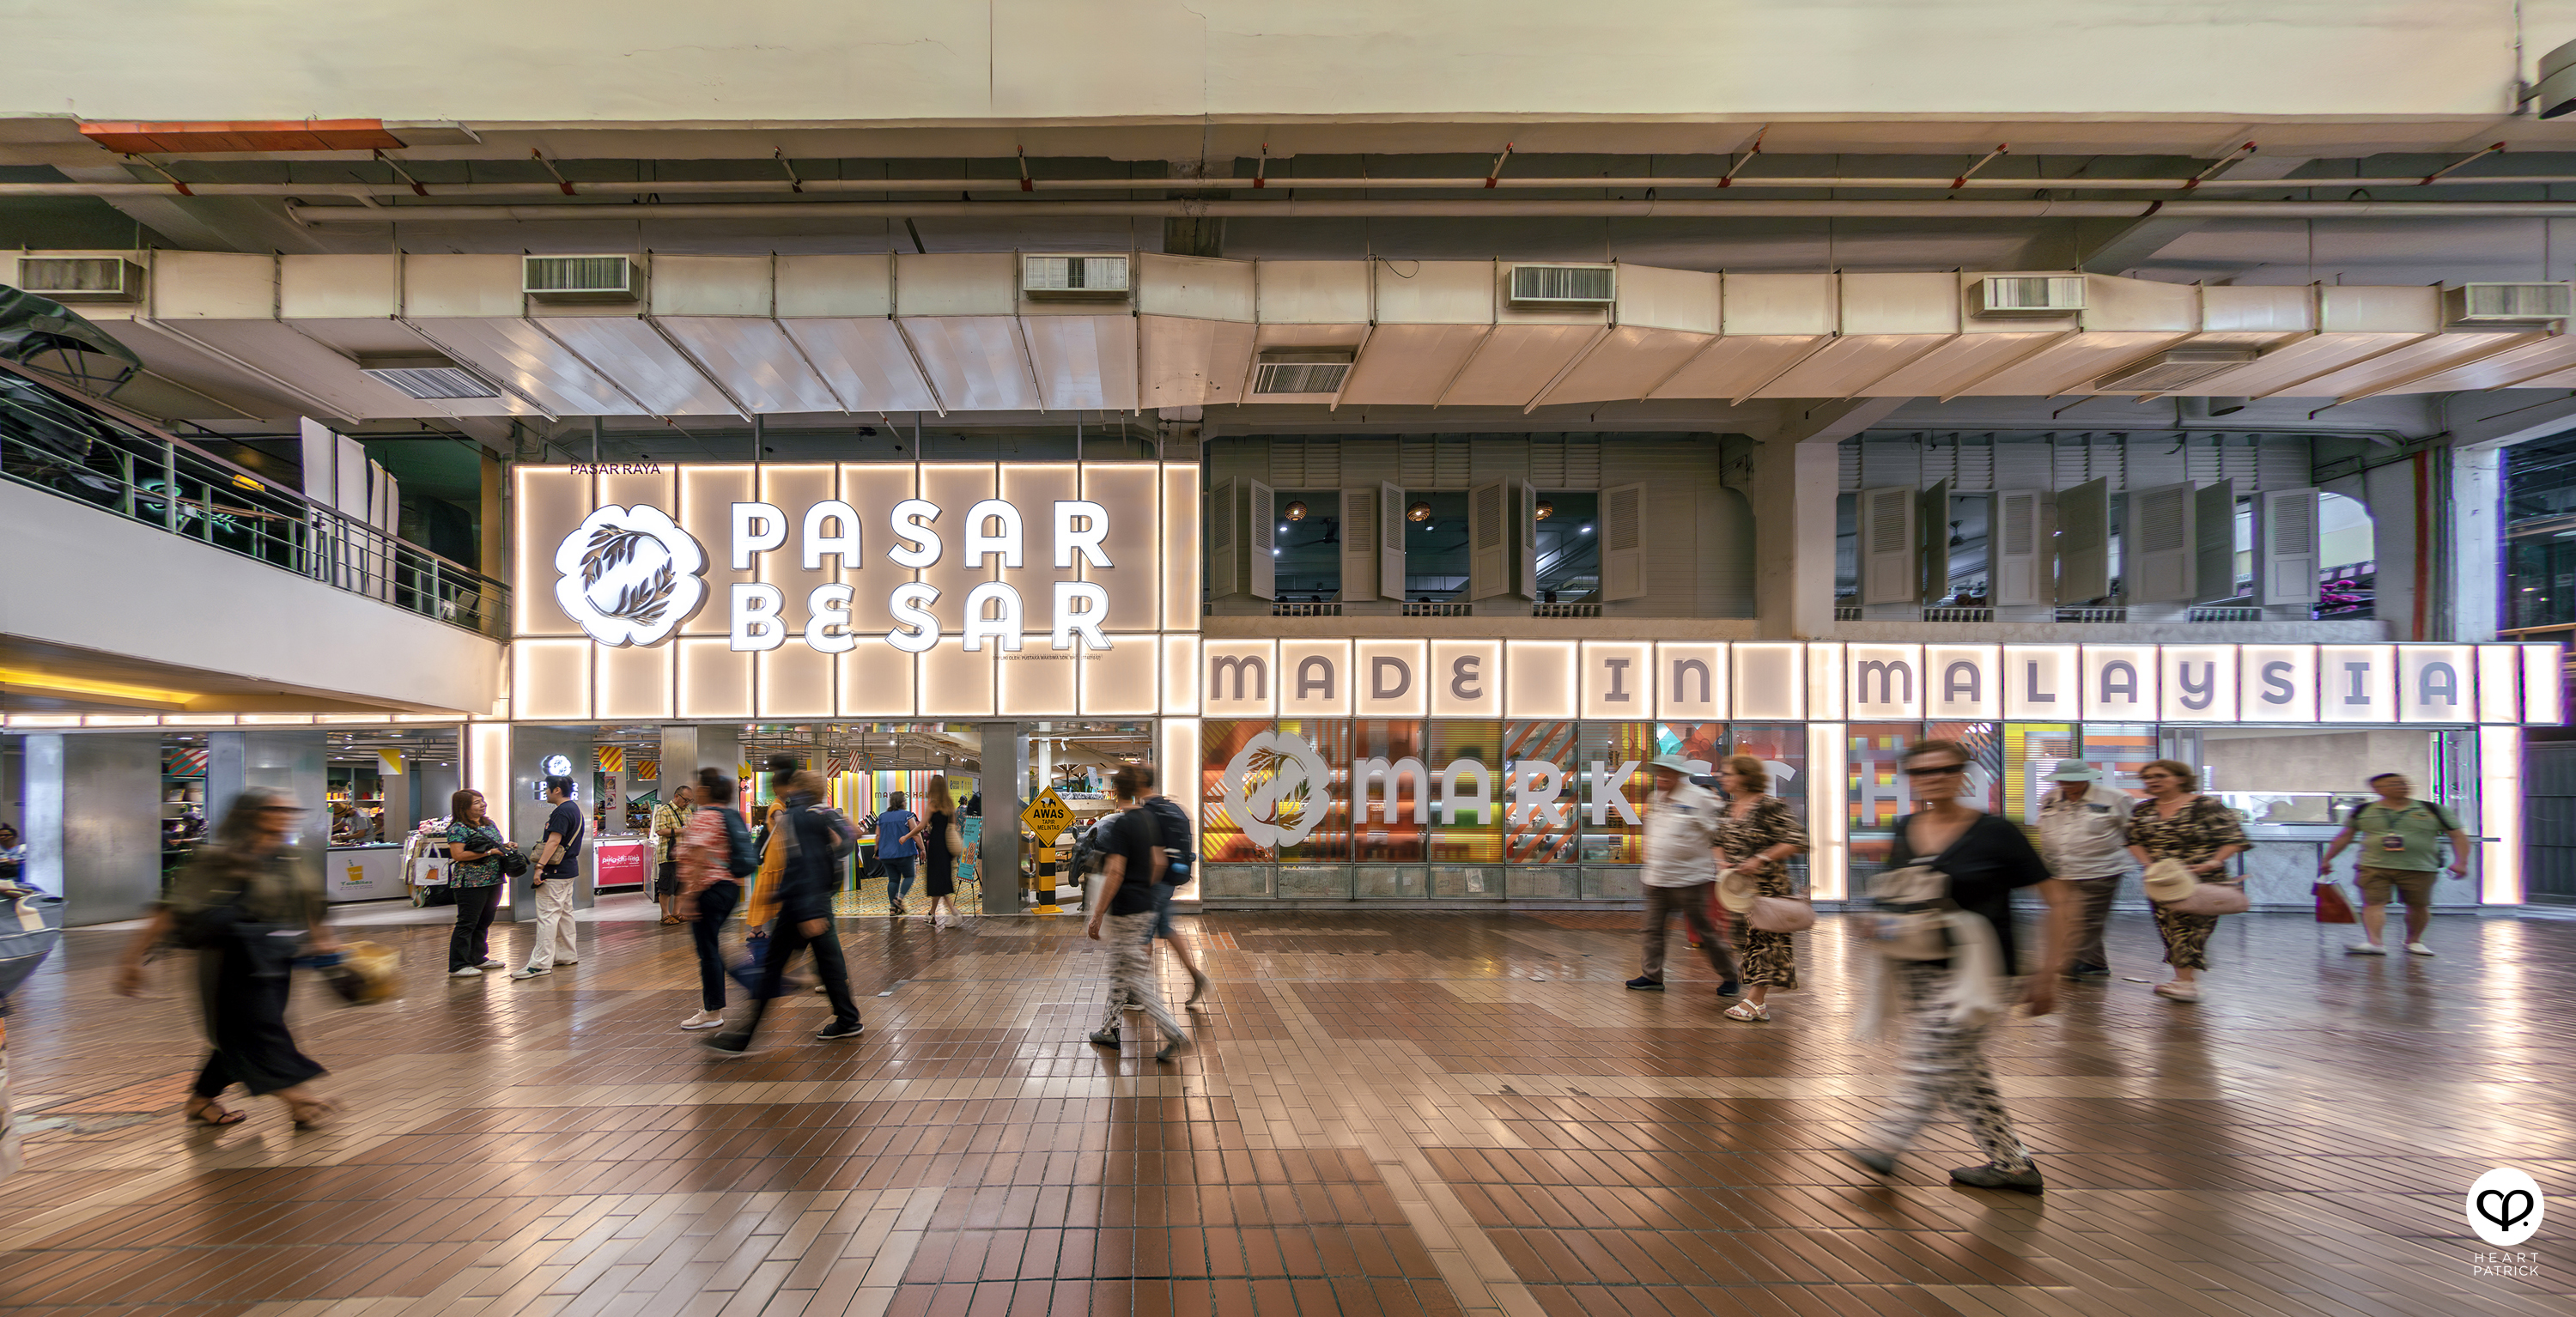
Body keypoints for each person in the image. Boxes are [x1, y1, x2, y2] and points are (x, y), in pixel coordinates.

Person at [1845, 739, 2068, 1194]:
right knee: (1960, 1066)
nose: (1935, 779)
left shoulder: (1998, 832)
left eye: (1946, 769)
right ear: (1910, 779)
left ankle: (1887, 1138)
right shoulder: (1906, 827)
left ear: (1964, 775)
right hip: (1917, 966)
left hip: (1983, 969)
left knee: (1934, 1053)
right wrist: (1876, 921)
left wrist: (2050, 972)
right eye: (1922, 772)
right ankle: (2013, 1165)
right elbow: (1904, 896)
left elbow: (2059, 899)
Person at [112, 786, 339, 1129]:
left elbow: (311, 904)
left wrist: (325, 942)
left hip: (274, 960)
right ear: (252, 815)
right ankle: (298, 1100)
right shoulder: (219, 859)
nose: (286, 817)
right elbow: (172, 909)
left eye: (291, 811)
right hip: (229, 963)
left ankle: (201, 1100)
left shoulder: (290, 858)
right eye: (277, 810)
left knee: (242, 1032)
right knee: (258, 1029)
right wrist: (130, 960)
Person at [704, 770, 863, 1053]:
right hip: (813, 901)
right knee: (826, 963)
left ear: (795, 788)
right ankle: (847, 1018)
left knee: (775, 967)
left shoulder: (798, 815)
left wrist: (807, 908)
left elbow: (806, 862)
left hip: (802, 904)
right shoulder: (821, 814)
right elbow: (844, 845)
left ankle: (745, 1035)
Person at [1085, 768, 1192, 1061]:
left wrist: (1097, 913)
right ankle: (1109, 1029)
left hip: (1126, 911)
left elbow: (1115, 872)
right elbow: (1159, 862)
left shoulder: (1121, 825)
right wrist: (1144, 890)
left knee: (1133, 978)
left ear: (1116, 791)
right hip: (1144, 904)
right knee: (1120, 971)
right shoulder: (1148, 819)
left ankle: (1173, 1032)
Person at [2124, 760, 2248, 1003]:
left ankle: (2186, 981)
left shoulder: (2206, 806)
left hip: (2202, 878)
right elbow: (2133, 840)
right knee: (2169, 927)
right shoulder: (2143, 809)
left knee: (2190, 928)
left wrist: (2213, 862)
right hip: (2163, 880)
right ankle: (2183, 978)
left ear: (2181, 778)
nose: (2153, 781)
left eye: (2160, 776)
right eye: (2148, 777)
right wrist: (2148, 865)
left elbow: (2234, 839)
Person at [1625, 752, 1742, 1000]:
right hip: (1657, 878)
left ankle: (1730, 975)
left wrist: (1724, 861)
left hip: (1690, 879)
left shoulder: (1700, 798)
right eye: (1659, 773)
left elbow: (1721, 833)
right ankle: (1652, 976)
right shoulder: (1656, 798)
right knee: (1652, 930)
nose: (1661, 777)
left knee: (1705, 932)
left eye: (1666, 773)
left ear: (1678, 775)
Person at [2320, 772, 2470, 956]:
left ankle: (2414, 941)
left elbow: (2458, 836)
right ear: (2378, 790)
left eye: (2403, 783)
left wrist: (2461, 862)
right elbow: (2345, 836)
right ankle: (2375, 943)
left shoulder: (2432, 809)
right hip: (2373, 866)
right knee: (2373, 903)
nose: (2400, 786)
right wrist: (2327, 859)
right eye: (2392, 784)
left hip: (2420, 867)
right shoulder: (2364, 811)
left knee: (2418, 905)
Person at [1714, 755, 1808, 1023]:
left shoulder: (1770, 807)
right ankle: (1759, 1003)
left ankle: (1754, 1000)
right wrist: (1721, 863)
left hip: (1768, 889)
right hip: (1737, 891)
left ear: (1746, 777)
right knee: (1745, 943)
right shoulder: (1727, 809)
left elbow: (1797, 840)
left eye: (1728, 773)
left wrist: (1761, 858)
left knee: (1766, 944)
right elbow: (1716, 840)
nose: (1722, 777)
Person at [676, 768, 757, 1030]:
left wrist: (690, 895)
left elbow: (698, 857)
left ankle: (713, 1010)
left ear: (706, 790)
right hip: (729, 888)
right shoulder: (729, 815)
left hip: (708, 889)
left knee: (708, 951)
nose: (695, 791)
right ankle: (723, 999)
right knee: (713, 947)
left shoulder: (705, 816)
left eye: (698, 786)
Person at [2035, 763, 2131, 982]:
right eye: (2063, 780)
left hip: (2100, 869)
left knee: (2087, 918)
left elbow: (2132, 831)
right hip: (2059, 869)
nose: (2067, 785)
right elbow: (2044, 828)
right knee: (2070, 916)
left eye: (2073, 781)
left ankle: (2072, 961)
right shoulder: (2049, 798)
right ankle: (2094, 963)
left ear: (2087, 779)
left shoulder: (2116, 798)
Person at [1138, 765, 1212, 1006]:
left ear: (1140, 783)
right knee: (1165, 929)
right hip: (1170, 881)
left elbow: (1157, 859)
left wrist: (1146, 886)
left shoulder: (1149, 812)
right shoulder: (1168, 807)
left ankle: (1139, 994)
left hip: (1156, 883)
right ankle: (1196, 975)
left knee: (1144, 935)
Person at [511, 776, 585, 980]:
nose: (545, 792)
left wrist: (540, 866)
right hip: (568, 870)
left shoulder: (561, 811)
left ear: (557, 790)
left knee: (547, 917)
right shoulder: (575, 809)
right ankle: (566, 955)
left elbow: (553, 841)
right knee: (564, 914)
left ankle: (540, 964)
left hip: (554, 871)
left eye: (547, 789)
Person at [441, 789, 507, 977]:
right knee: (467, 922)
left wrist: (505, 847)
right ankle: (458, 965)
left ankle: (478, 958)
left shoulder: (488, 824)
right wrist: (490, 853)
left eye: (482, 801)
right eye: (477, 802)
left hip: (493, 879)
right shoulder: (458, 828)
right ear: (464, 807)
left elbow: (495, 846)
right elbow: (458, 855)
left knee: (484, 921)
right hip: (470, 882)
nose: (483, 805)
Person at [920, 775, 963, 928]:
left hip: (936, 846)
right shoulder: (950, 805)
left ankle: (955, 913)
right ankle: (931, 914)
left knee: (938, 882)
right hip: (946, 847)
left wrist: (906, 836)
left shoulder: (932, 806)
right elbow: (954, 826)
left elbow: (921, 826)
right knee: (941, 880)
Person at [652, 783, 695, 926]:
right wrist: (683, 831)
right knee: (666, 887)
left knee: (683, 886)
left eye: (690, 801)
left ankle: (677, 912)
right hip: (669, 856)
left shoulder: (688, 811)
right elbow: (660, 831)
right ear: (676, 796)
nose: (687, 803)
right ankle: (666, 915)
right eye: (686, 800)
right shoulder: (664, 811)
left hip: (686, 855)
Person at [877, 790, 925, 918]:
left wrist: (876, 851)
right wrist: (922, 849)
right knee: (909, 876)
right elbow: (916, 834)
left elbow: (878, 835)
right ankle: (899, 898)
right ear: (902, 802)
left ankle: (893, 908)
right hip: (904, 852)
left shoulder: (882, 817)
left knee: (893, 880)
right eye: (905, 800)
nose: (906, 802)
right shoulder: (907, 815)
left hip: (886, 855)